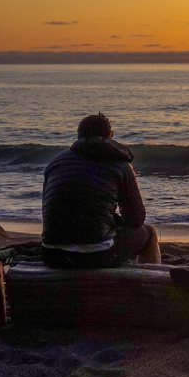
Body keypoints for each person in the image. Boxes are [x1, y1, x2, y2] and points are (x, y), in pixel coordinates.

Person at [40, 113, 160, 268]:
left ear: (78, 136)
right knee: (149, 232)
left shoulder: (54, 164)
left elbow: (51, 210)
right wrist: (115, 221)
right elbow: (136, 219)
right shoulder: (120, 165)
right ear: (110, 136)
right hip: (96, 255)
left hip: (52, 254)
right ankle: (150, 282)